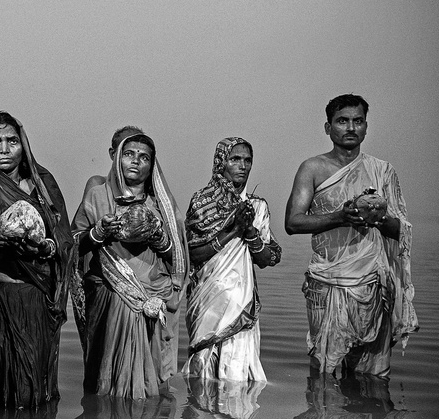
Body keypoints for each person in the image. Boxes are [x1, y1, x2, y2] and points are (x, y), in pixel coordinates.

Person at [285, 94, 415, 377]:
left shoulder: (382, 171)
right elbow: (293, 223)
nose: (350, 127)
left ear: (366, 127)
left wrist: (376, 217)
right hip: (327, 283)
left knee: (373, 378)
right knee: (325, 373)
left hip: (373, 284)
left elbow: (401, 230)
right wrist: (339, 217)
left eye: (358, 121)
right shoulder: (313, 168)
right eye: (342, 121)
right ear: (328, 127)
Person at [0, 111, 72, 409]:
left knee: (32, 398)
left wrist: (42, 247)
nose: (4, 149)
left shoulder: (44, 188)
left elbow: (65, 243)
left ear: (24, 145)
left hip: (35, 304)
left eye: (11, 141)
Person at [70, 129, 188, 399]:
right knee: (106, 378)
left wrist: (160, 239)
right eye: (129, 154)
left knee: (149, 383)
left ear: (152, 166)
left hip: (152, 297)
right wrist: (99, 231)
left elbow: (178, 259)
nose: (136, 161)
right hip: (108, 294)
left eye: (144, 157)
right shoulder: (98, 195)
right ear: (117, 158)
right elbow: (74, 242)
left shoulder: (162, 205)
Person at [182, 137, 282, 383]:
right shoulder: (202, 202)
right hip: (207, 297)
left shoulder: (257, 207)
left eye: (247, 160)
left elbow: (265, 259)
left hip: (240, 300)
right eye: (235, 159)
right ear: (221, 163)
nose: (243, 166)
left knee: (237, 376)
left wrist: (249, 232)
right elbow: (192, 254)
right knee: (202, 373)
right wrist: (233, 231)